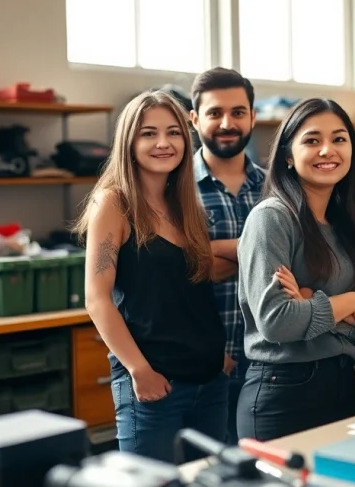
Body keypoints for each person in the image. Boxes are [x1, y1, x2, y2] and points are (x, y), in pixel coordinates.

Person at [73, 90, 227, 463]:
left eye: (174, 133)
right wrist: (139, 370)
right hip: (153, 385)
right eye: (148, 133)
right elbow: (97, 298)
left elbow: (194, 281)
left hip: (209, 382)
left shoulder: (186, 206)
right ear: (129, 141)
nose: (163, 143)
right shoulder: (113, 203)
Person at [235, 98, 355, 441]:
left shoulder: (346, 223)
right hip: (281, 392)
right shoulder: (271, 218)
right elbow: (278, 321)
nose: (327, 150)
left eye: (339, 139)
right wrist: (352, 302)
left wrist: (311, 300)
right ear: (288, 155)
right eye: (312, 140)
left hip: (342, 385)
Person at [189, 67, 266, 443]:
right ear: (194, 119)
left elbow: (292, 263)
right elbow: (179, 270)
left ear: (252, 117)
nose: (227, 123)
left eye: (238, 112)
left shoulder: (277, 188)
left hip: (267, 365)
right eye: (214, 113)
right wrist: (254, 249)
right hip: (200, 368)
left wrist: (217, 250)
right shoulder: (174, 189)